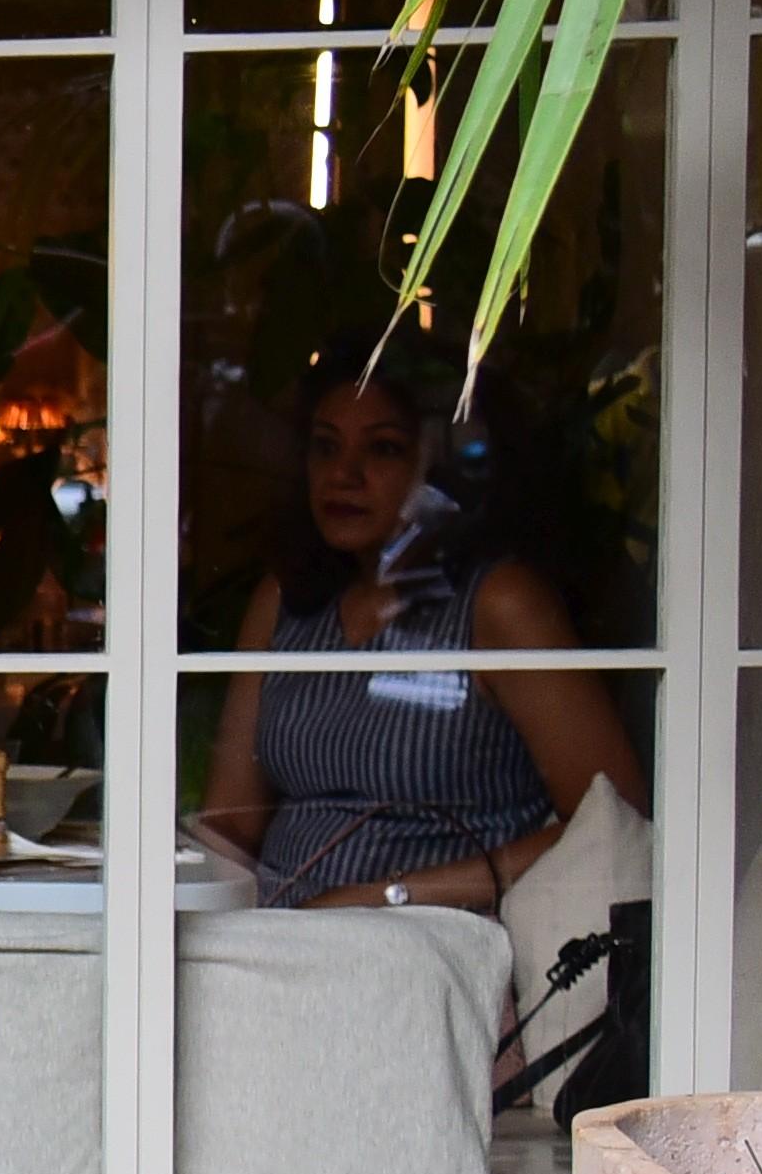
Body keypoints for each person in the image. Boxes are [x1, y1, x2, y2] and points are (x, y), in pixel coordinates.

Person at [192, 363, 645, 910]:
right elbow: (230, 827)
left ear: (443, 465)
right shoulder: (285, 601)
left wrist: (389, 897)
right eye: (325, 448)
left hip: (431, 944)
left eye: (382, 450)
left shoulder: (499, 604)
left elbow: (611, 817)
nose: (344, 474)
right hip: (273, 938)